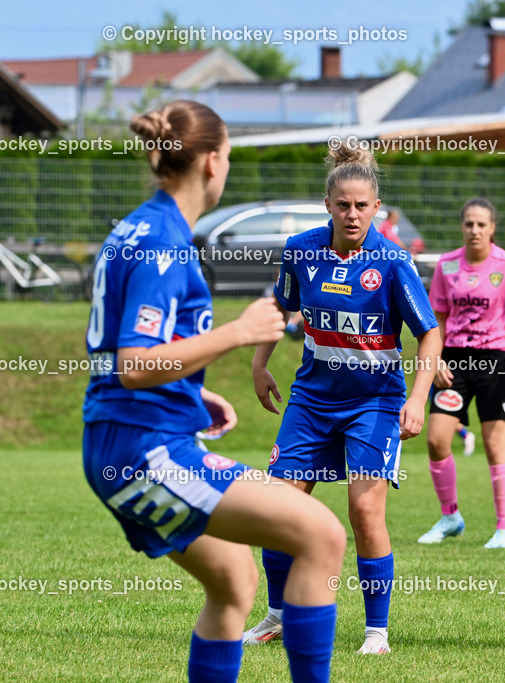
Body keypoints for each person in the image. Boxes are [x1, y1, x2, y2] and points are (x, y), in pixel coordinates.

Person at [82, 100, 346, 682]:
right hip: (143, 450)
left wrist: (189, 395)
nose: (227, 167)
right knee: (322, 534)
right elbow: (131, 364)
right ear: (210, 162)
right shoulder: (162, 243)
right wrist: (237, 333)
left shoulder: (143, 227)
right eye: (227, 155)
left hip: (127, 436)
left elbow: (120, 356)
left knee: (234, 582)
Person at [244, 143, 442, 655]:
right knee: (276, 508)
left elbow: (430, 333)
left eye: (361, 206)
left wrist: (418, 397)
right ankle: (277, 617)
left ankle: (376, 631)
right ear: (327, 205)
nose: (352, 214)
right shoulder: (301, 250)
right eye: (342, 205)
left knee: (364, 511)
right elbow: (279, 305)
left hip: (375, 404)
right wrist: (260, 362)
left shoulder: (394, 261)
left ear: (378, 208)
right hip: (311, 400)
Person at [417, 198, 505, 549]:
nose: (475, 230)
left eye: (481, 224)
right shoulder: (446, 266)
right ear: (462, 227)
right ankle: (450, 517)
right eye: (469, 224)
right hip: (455, 361)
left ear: (492, 228)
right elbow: (435, 320)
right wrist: (436, 359)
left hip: (498, 361)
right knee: (437, 439)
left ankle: (504, 530)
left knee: (493, 443)